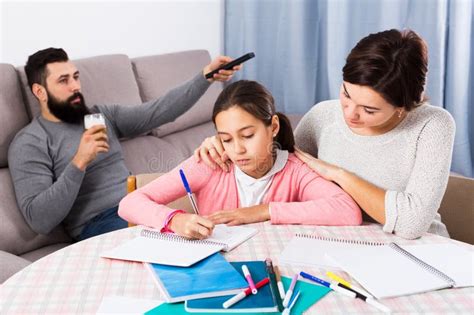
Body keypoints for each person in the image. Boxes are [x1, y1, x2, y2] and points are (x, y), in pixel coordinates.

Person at [195, 29, 455, 240]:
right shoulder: (323, 115)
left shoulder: (432, 125)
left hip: (417, 252)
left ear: (404, 106)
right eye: (346, 94)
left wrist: (340, 176)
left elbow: (411, 224)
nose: (350, 114)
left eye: (368, 109)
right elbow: (280, 171)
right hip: (337, 242)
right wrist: (223, 144)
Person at [8, 47, 240, 241]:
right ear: (40, 91)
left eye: (76, 77)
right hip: (100, 221)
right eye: (63, 80)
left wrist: (206, 77)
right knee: (187, 235)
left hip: (143, 201)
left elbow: (158, 112)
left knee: (225, 213)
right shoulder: (30, 142)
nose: (75, 86)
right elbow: (39, 219)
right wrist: (79, 161)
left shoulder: (100, 115)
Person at [118, 80, 362, 239]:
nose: (237, 150)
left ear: (273, 126)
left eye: (247, 136)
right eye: (226, 139)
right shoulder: (210, 164)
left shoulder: (295, 171)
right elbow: (129, 204)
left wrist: (263, 211)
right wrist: (175, 220)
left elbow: (348, 211)